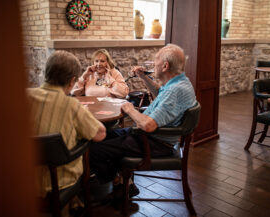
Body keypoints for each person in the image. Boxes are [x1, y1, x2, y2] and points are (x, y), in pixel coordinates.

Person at [89, 44, 197, 188]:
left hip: (154, 142)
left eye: (155, 61)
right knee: (102, 136)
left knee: (93, 150)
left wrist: (130, 109)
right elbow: (160, 93)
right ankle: (122, 180)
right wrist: (143, 77)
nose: (153, 65)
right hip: (150, 137)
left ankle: (117, 183)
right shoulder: (180, 82)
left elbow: (148, 125)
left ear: (165, 66)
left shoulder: (175, 91)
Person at [26, 50, 106, 197]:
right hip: (58, 182)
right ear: (72, 81)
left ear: (46, 73)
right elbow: (100, 134)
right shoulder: (71, 105)